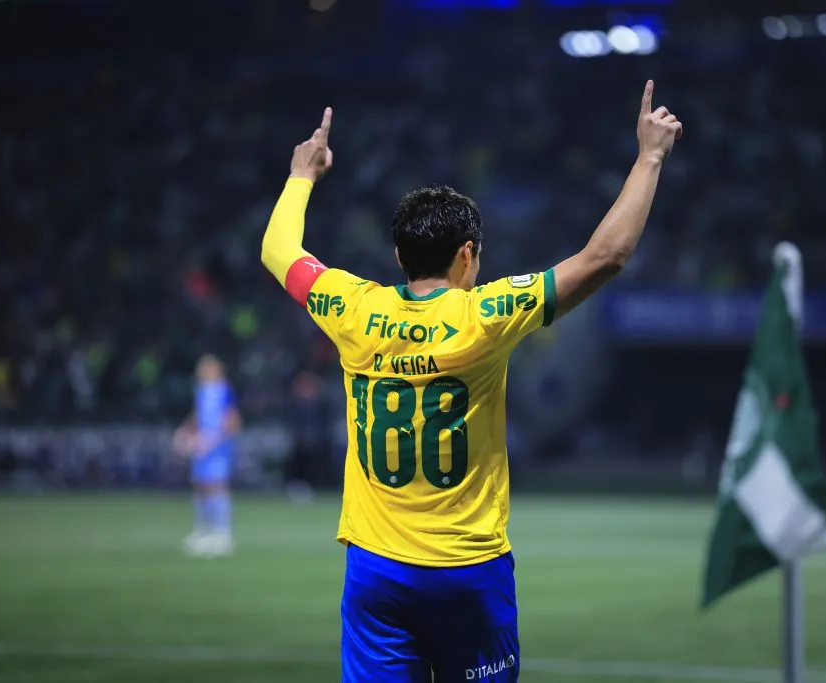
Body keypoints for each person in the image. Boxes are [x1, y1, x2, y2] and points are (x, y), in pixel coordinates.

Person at [260, 81, 682, 682]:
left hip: (376, 569)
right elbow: (604, 258)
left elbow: (278, 249)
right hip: (468, 570)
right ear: (466, 254)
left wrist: (303, 172)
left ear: (402, 258)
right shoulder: (483, 317)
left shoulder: (350, 308)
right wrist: (649, 158)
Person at [173, 354, 241, 557]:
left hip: (218, 446)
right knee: (201, 485)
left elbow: (233, 419)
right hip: (202, 445)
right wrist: (185, 432)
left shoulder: (224, 390)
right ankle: (203, 531)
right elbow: (199, 416)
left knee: (217, 485)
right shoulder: (201, 391)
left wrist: (215, 439)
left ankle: (223, 534)